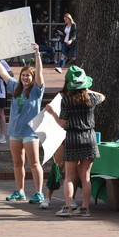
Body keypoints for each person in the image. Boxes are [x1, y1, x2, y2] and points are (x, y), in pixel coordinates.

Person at [46, 65, 105, 217]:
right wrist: (87, 88)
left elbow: (63, 124)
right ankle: (85, 208)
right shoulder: (92, 98)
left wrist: (53, 114)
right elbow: (103, 96)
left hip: (72, 137)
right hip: (89, 137)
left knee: (69, 176)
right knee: (85, 176)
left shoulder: (66, 101)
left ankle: (67, 207)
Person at [0, 43, 45, 204]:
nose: (25, 78)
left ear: (33, 77)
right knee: (17, 163)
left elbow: (40, 73)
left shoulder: (37, 90)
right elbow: (2, 72)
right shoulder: (15, 87)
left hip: (30, 133)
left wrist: (37, 54)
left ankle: (38, 193)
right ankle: (20, 191)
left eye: (29, 76)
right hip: (15, 131)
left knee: (34, 163)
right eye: (23, 75)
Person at [40, 80, 79, 210]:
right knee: (58, 166)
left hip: (76, 137)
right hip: (62, 136)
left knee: (74, 170)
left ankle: (71, 198)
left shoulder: (84, 97)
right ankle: (47, 197)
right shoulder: (62, 98)